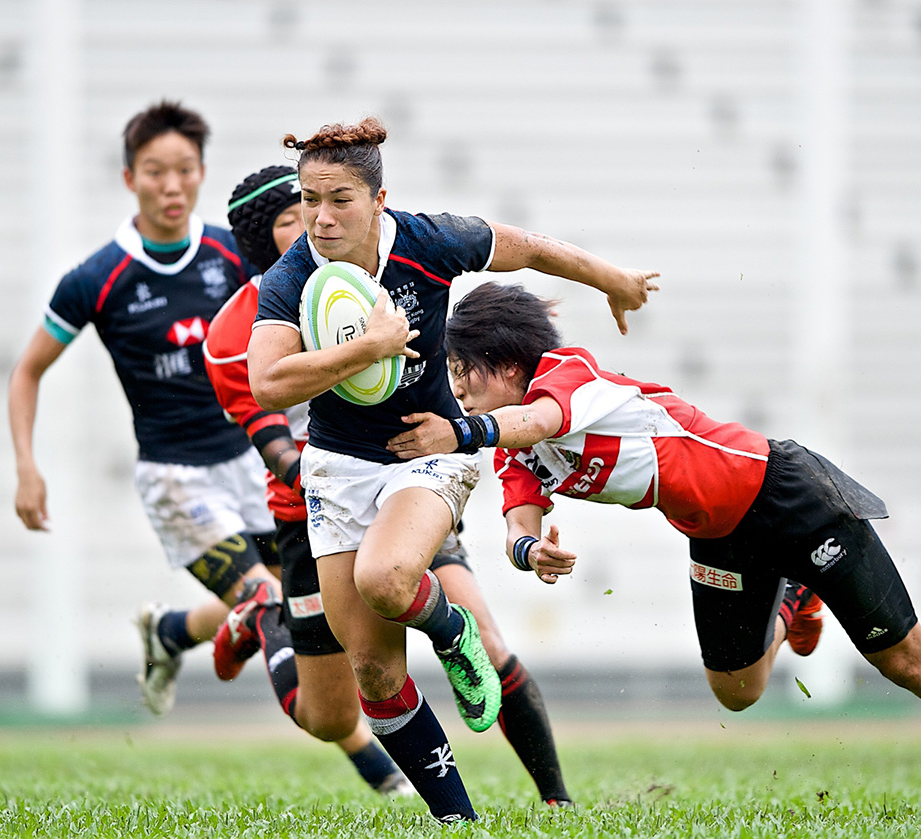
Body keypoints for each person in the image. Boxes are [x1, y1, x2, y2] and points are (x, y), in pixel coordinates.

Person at [385, 281, 921, 817]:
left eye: (459, 370)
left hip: (790, 496)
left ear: (504, 365)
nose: (456, 385)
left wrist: (460, 431)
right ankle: (796, 599)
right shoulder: (515, 445)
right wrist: (532, 552)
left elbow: (542, 418)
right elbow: (518, 519)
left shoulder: (569, 375)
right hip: (718, 536)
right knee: (736, 690)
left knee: (905, 660)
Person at [246, 118, 657, 822]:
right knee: (373, 671)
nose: (320, 216)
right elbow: (269, 384)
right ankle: (456, 820)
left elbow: (525, 248)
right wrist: (369, 346)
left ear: (380, 200)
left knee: (387, 578)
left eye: (339, 198)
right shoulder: (292, 277)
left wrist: (613, 277)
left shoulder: (431, 241)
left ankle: (453, 633)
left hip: (431, 449)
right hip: (338, 469)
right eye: (309, 198)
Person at [205, 165, 572, 803]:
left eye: (327, 205)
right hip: (310, 506)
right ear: (264, 244)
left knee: (481, 633)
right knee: (331, 715)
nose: (318, 223)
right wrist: (363, 367)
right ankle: (267, 617)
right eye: (297, 215)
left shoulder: (385, 267)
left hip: (410, 476)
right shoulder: (240, 331)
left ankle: (556, 801)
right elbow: (274, 438)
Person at [8, 101, 279, 716]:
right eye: (156, 171)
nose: (172, 184)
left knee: (293, 600)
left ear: (202, 173)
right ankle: (384, 774)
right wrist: (27, 466)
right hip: (175, 477)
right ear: (130, 178)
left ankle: (172, 632)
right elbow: (26, 372)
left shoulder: (233, 252)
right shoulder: (98, 277)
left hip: (249, 460)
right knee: (268, 604)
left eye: (185, 168)